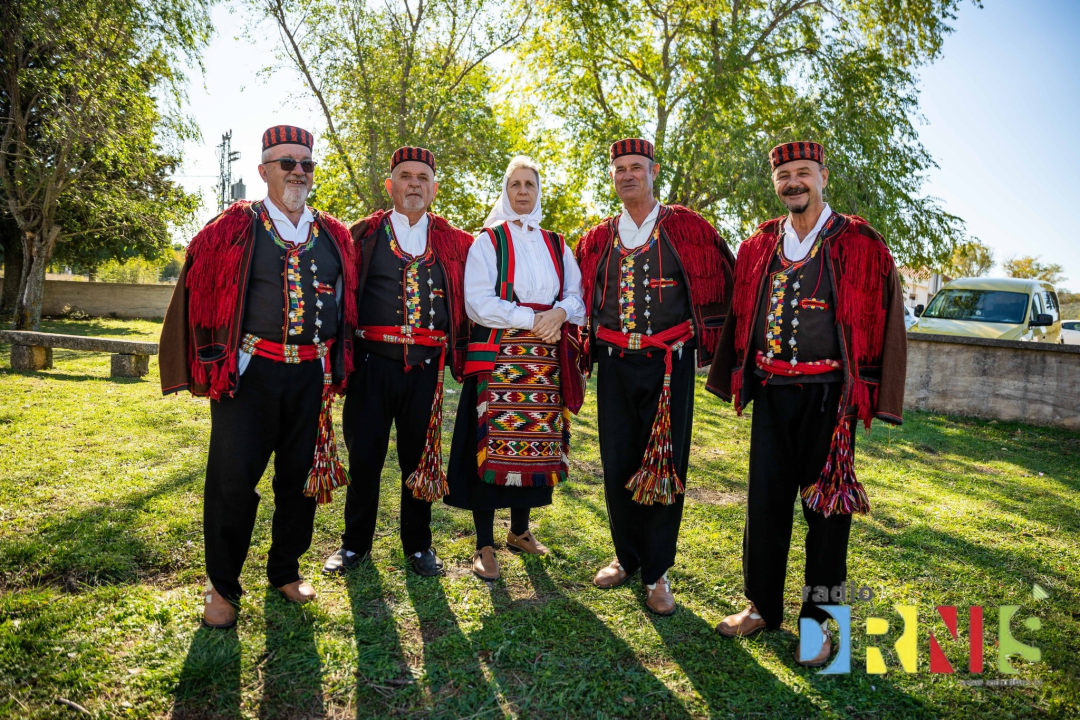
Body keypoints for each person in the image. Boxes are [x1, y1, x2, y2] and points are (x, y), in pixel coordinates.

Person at [706, 141, 907, 666]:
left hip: (829, 400)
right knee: (765, 505)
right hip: (773, 393)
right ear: (776, 184)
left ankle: (820, 628)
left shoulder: (860, 241)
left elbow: (886, 317)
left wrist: (872, 389)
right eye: (784, 175)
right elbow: (741, 314)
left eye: (803, 173)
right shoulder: (758, 247)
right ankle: (760, 608)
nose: (794, 182)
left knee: (827, 515)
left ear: (822, 176)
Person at [159, 126, 356, 629]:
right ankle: (221, 586)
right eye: (286, 162)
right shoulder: (234, 228)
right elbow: (201, 286)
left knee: (300, 482)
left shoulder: (333, 235)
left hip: (311, 376)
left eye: (306, 164)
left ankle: (285, 569)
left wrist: (336, 364)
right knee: (232, 483)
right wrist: (209, 359)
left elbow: (345, 304)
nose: (297, 172)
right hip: (248, 377)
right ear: (264, 169)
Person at [575, 138, 734, 615]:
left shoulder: (687, 228)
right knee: (618, 459)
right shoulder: (597, 238)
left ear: (653, 171)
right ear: (612, 176)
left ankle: (658, 572)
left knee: (665, 465)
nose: (628, 175)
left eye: (636, 167)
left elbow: (729, 279)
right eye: (620, 168)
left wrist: (712, 343)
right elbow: (579, 296)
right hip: (615, 365)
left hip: (670, 365)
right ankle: (626, 557)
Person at [322, 147, 472, 577]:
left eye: (423, 177)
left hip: (425, 371)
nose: (414, 184)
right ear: (390, 185)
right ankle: (353, 545)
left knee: (418, 459)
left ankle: (419, 546)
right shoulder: (362, 234)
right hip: (371, 366)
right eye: (405, 176)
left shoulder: (455, 242)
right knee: (365, 457)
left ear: (434, 189)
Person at [445, 155, 586, 581]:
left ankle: (520, 532)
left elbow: (576, 296)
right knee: (492, 447)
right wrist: (533, 319)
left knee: (534, 447)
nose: (523, 191)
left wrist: (559, 314)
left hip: (543, 361)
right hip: (500, 357)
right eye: (515, 185)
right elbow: (478, 302)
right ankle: (484, 543)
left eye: (530, 184)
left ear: (538, 191)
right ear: (504, 192)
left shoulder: (557, 243)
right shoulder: (487, 241)